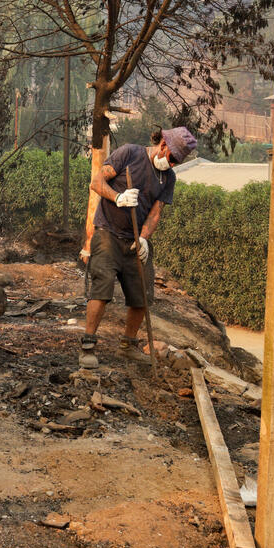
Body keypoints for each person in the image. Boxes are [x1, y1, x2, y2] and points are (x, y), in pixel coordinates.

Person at [79, 126, 197, 369]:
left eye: (177, 161)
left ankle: (128, 345)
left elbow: (155, 213)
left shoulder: (168, 178)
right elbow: (97, 182)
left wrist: (143, 238)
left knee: (142, 295)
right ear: (163, 144)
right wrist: (117, 197)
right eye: (172, 158)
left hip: (134, 240)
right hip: (108, 234)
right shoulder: (129, 154)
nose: (172, 164)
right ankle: (88, 345)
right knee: (102, 290)